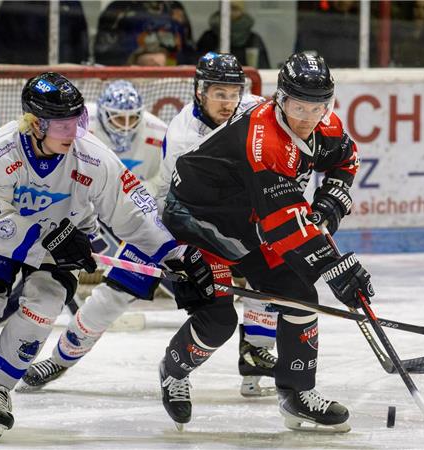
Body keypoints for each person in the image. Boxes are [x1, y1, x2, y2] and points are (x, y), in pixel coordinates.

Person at [0, 72, 213, 441]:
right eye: (63, 125)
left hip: (68, 238)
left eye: (77, 121)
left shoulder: (93, 159)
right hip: (7, 239)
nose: (73, 132)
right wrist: (45, 239)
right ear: (35, 124)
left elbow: (133, 210)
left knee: (43, 307)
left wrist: (174, 253)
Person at [157, 52, 373, 432]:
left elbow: (346, 158)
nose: (307, 117)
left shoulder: (326, 124)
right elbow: (282, 225)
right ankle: (173, 371)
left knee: (300, 294)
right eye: (297, 106)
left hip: (250, 221)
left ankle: (296, 393)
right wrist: (334, 266)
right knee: (217, 320)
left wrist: (332, 200)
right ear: (280, 99)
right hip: (199, 221)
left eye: (317, 107)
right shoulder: (265, 141)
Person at [16, 80, 173, 390]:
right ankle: (59, 361)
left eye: (132, 119)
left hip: (149, 216)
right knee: (111, 296)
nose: (126, 126)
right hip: (98, 211)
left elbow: (163, 183)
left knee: (219, 302)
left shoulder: (160, 131)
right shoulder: (77, 127)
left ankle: (254, 350)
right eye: (118, 118)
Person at [150, 52, 276, 398]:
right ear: (200, 92)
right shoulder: (183, 139)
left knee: (275, 272)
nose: (227, 101)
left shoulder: (253, 108)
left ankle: (254, 355)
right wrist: (175, 251)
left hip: (237, 213)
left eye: (233, 92)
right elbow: (174, 200)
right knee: (219, 317)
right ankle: (175, 371)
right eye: (219, 93)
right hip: (192, 221)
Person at [0, 1, 89, 65]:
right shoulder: (13, 3)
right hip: (21, 73)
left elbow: (79, 38)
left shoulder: (70, 3)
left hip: (61, 73)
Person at [196, 1, 270, 69]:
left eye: (235, 9)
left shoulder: (253, 40)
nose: (230, 12)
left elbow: (263, 69)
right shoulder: (208, 38)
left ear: (242, 11)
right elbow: (198, 66)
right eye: (228, 8)